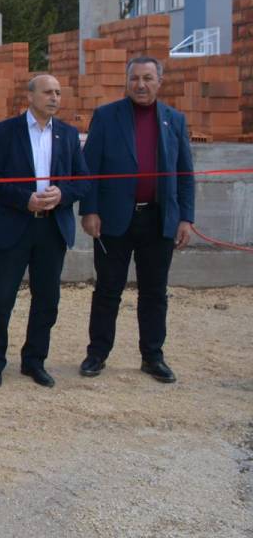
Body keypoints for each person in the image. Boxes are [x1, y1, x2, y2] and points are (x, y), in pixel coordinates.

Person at [78, 56, 194, 384]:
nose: (140, 85)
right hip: (113, 220)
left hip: (158, 220)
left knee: (154, 292)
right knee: (107, 290)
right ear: (127, 82)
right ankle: (97, 353)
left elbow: (185, 173)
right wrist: (89, 210)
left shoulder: (174, 120)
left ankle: (152, 356)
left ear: (159, 82)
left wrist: (186, 218)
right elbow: (90, 168)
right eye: (134, 79)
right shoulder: (106, 116)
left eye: (147, 78)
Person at [0, 74, 90, 389]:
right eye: (47, 92)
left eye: (58, 93)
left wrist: (62, 194)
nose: (54, 98)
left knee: (47, 299)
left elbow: (82, 180)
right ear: (30, 96)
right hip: (15, 225)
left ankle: (34, 361)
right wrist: (23, 199)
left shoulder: (68, 134)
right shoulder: (5, 131)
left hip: (52, 228)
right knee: (1, 297)